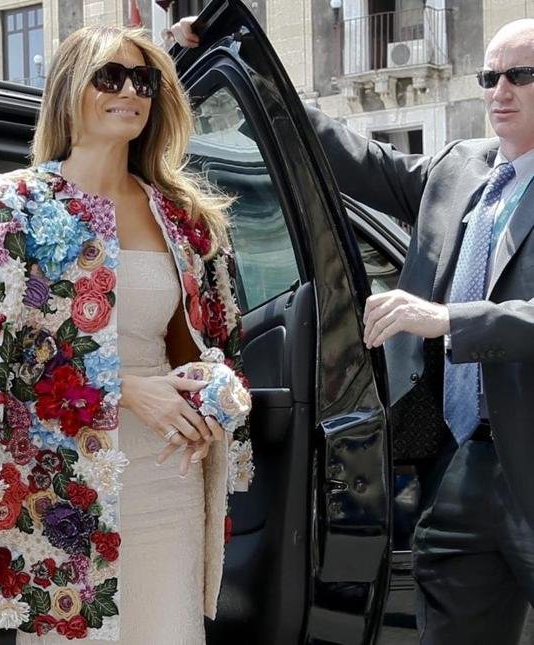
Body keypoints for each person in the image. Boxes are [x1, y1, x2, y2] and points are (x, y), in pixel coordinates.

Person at [172, 15, 534, 645]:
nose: (499, 91)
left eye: (521, 76)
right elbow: (352, 159)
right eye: (489, 76)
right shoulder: (458, 169)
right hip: (455, 469)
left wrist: (451, 320)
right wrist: (244, 65)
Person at [0, 24, 254, 643]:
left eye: (144, 81)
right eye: (110, 76)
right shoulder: (14, 206)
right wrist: (124, 389)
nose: (130, 92)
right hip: (62, 484)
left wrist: (213, 393)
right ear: (69, 90)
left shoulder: (182, 215)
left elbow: (217, 341)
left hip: (168, 472)